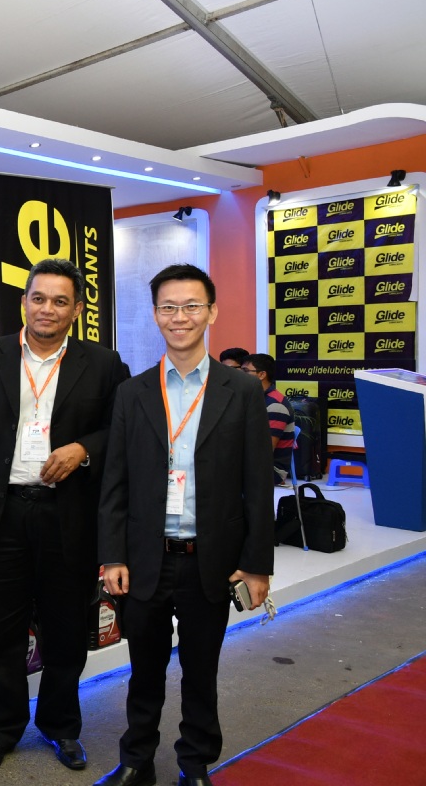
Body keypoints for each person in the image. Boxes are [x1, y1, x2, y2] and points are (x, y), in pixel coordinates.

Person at [0, 258, 129, 774]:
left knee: (67, 631)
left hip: (69, 516)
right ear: (23, 302)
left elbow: (121, 430)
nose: (47, 309)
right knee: (3, 631)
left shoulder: (103, 364)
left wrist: (83, 450)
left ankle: (61, 726)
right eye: (38, 298)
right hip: (0, 514)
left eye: (60, 301)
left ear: (77, 309)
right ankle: (0, 729)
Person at [96, 264, 274, 786]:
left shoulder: (240, 390)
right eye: (169, 307)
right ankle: (136, 761)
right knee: (143, 671)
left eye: (192, 306)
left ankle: (194, 764)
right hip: (145, 559)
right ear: (155, 315)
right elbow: (115, 482)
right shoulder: (132, 392)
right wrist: (113, 555)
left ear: (211, 312)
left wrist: (256, 565)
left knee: (201, 671)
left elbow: (258, 484)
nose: (180, 317)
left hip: (210, 560)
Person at [241, 353, 295, 485]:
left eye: (246, 371)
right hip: (253, 463)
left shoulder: (276, 405)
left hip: (271, 469)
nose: (241, 375)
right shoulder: (255, 398)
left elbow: (265, 449)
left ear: (261, 375)